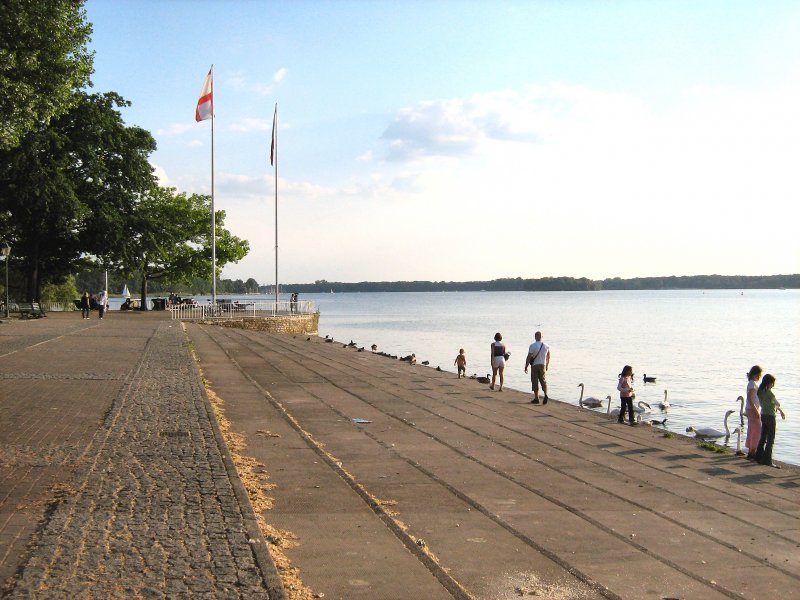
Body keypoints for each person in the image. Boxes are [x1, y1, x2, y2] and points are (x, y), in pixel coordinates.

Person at [754, 374, 786, 468]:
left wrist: (778, 410)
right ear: (768, 383)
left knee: (763, 437)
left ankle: (759, 457)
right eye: (772, 383)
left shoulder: (759, 392)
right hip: (771, 417)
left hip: (763, 415)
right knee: (770, 439)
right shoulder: (769, 393)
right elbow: (777, 403)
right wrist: (778, 408)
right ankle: (767, 460)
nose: (773, 385)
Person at [524, 331, 551, 404]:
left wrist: (526, 366)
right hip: (543, 365)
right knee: (543, 381)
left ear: (535, 337)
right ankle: (545, 394)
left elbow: (529, 356)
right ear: (542, 337)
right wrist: (547, 365)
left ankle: (536, 398)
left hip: (535, 365)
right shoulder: (546, 346)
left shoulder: (532, 346)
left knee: (535, 381)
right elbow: (548, 356)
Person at [744, 365, 763, 459]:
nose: (759, 377)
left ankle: (751, 450)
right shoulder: (752, 384)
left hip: (751, 408)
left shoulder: (752, 383)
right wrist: (756, 410)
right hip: (752, 409)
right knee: (757, 430)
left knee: (752, 429)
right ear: (754, 374)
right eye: (758, 375)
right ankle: (753, 450)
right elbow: (750, 398)